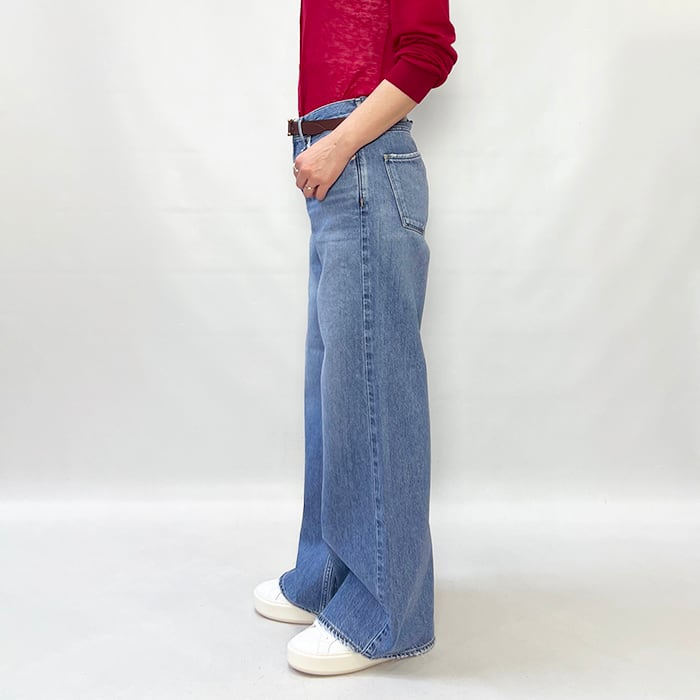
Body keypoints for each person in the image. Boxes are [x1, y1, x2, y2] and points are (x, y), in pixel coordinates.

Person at [253, 0, 458, 676]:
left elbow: (428, 51)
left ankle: (384, 616)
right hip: (336, 166)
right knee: (334, 395)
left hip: (360, 158)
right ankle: (326, 577)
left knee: (372, 394)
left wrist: (339, 145)